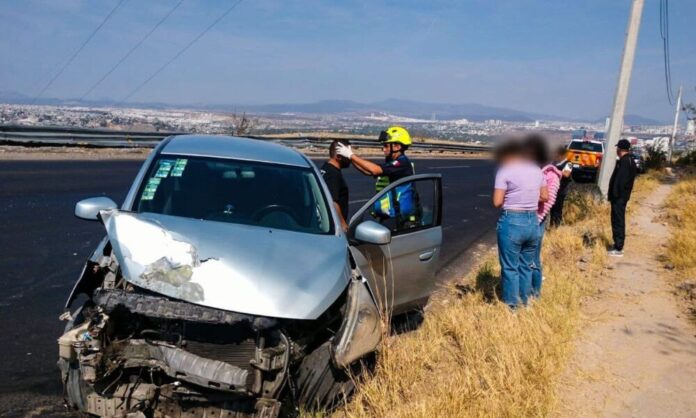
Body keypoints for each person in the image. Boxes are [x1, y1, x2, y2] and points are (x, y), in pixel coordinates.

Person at [492, 139, 548, 308]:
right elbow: (544, 196)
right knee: (526, 266)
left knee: (510, 268)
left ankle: (512, 307)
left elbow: (496, 202)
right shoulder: (538, 171)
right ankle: (525, 302)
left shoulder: (505, 171)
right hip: (533, 222)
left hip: (512, 221)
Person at [336, 126, 416, 223]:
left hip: (399, 219)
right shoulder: (391, 163)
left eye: (386, 146)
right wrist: (351, 158)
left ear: (397, 147)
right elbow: (368, 171)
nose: (383, 149)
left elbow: (375, 170)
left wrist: (351, 155)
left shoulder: (401, 163)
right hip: (391, 216)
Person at [524, 135, 562, 298]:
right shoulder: (532, 171)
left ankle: (534, 292)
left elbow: (548, 200)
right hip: (525, 219)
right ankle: (524, 291)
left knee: (533, 260)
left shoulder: (551, 175)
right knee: (525, 260)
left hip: (536, 221)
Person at [607, 139, 637, 257]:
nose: (616, 150)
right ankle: (617, 244)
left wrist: (614, 195)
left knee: (618, 220)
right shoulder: (628, 160)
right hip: (621, 197)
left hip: (619, 197)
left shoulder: (625, 162)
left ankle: (618, 247)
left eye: (617, 148)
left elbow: (620, 181)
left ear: (620, 149)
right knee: (618, 219)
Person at [321, 139, 351, 232]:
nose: (350, 158)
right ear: (339, 157)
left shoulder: (325, 168)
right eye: (347, 154)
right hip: (333, 226)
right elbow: (333, 201)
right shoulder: (333, 174)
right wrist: (343, 224)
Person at [549, 145, 573, 227]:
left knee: (558, 208)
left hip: (561, 190)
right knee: (552, 209)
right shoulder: (553, 163)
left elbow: (566, 174)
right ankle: (551, 224)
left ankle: (556, 225)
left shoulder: (569, 164)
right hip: (552, 190)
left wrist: (555, 170)